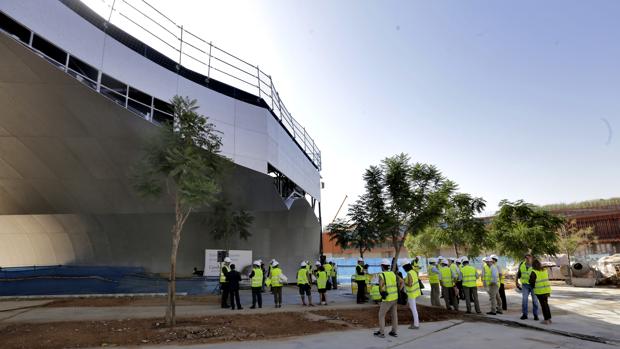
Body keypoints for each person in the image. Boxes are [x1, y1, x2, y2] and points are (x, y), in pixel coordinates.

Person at [373, 259, 404, 338]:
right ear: (388, 266)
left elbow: (381, 287)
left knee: (381, 315)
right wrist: (398, 290)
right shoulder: (393, 274)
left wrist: (382, 293)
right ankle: (394, 331)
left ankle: (382, 333)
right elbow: (402, 282)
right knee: (394, 315)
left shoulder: (382, 275)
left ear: (382, 266)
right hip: (395, 298)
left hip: (387, 299)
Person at [516, 253, 539, 320]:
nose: (527, 259)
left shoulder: (535, 265)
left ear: (531, 258)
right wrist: (516, 282)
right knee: (524, 300)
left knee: (535, 301)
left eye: (529, 258)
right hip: (525, 285)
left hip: (534, 286)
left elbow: (539, 274)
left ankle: (535, 315)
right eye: (526, 258)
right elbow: (518, 273)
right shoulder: (522, 264)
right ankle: (524, 314)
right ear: (525, 258)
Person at [530, 259, 552, 324]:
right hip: (547, 290)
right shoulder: (544, 270)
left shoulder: (533, 272)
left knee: (543, 305)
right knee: (546, 304)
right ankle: (549, 319)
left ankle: (546, 320)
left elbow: (532, 282)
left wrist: (533, 287)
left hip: (540, 291)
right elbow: (547, 277)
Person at [403, 261, 421, 329]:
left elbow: (410, 284)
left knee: (413, 309)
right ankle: (416, 323)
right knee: (413, 308)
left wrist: (405, 282)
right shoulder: (413, 272)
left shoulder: (409, 273)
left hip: (411, 294)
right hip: (415, 292)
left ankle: (416, 324)